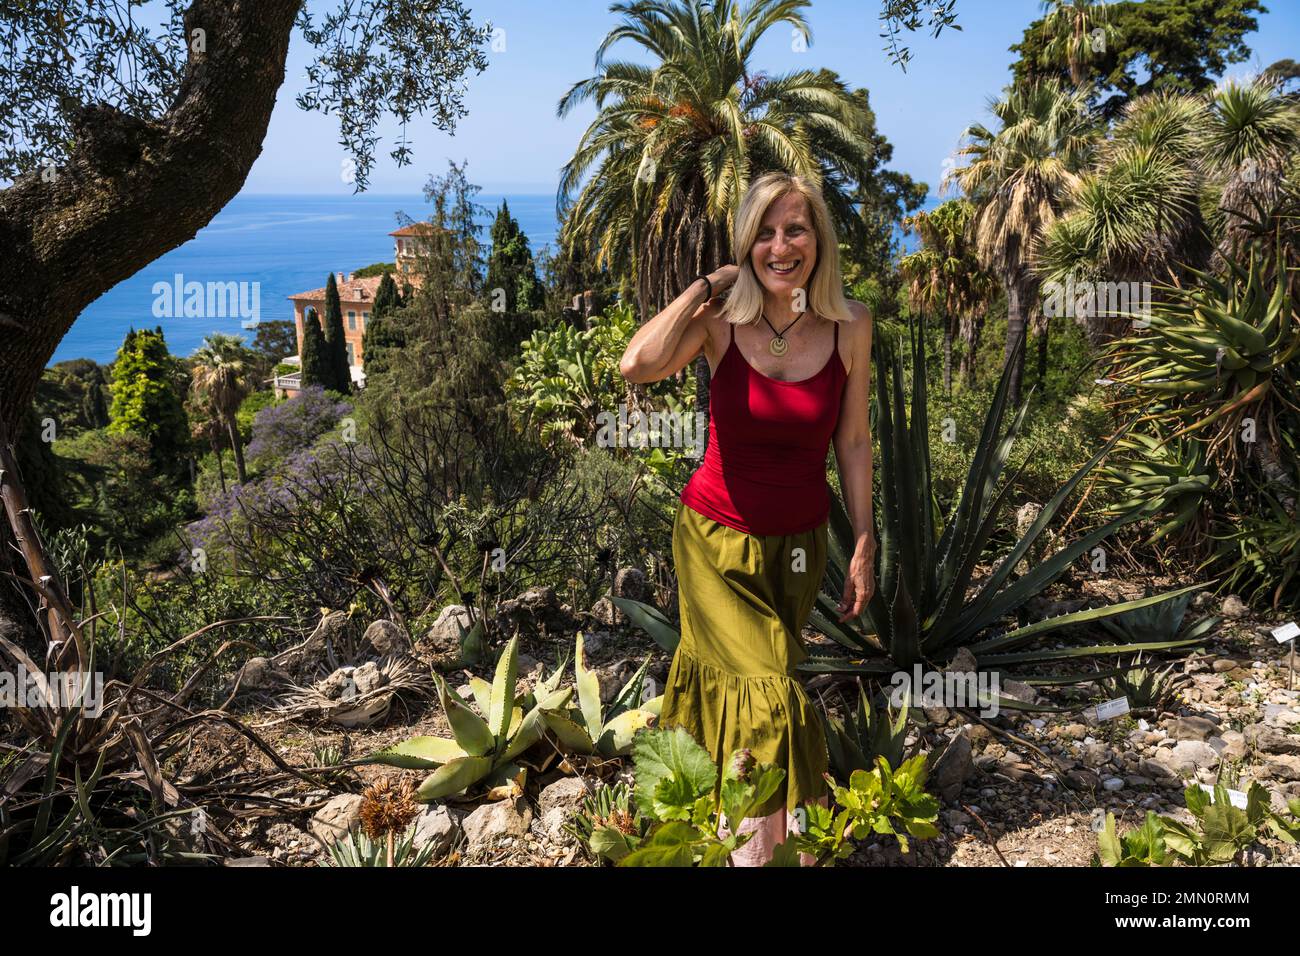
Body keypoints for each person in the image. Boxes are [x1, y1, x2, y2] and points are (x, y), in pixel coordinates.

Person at [619, 170, 877, 866]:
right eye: (764, 231)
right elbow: (636, 364)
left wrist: (865, 539)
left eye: (795, 228)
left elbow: (853, 441)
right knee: (767, 701)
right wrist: (708, 284)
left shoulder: (852, 326)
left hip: (795, 553)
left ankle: (700, 838)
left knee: (737, 695)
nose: (780, 245)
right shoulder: (720, 321)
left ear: (818, 239)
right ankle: (767, 856)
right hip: (712, 541)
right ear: (746, 243)